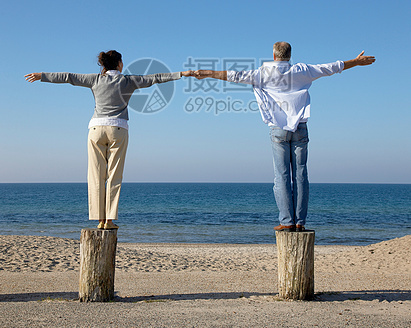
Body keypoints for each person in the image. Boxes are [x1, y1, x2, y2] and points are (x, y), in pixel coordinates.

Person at [192, 43, 375, 232]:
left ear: (273, 55)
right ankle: (300, 222)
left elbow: (232, 75)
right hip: (300, 128)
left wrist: (204, 73)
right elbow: (332, 67)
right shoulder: (302, 70)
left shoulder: (262, 73)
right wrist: (356, 61)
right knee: (301, 175)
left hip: (278, 130)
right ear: (289, 55)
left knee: (282, 175)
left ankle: (287, 221)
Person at [25, 50, 191, 230]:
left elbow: (68, 77)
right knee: (114, 175)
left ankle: (99, 219)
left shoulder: (95, 80)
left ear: (103, 65)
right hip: (118, 129)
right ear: (119, 63)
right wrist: (181, 74)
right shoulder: (128, 80)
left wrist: (42, 76)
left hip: (96, 129)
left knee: (95, 175)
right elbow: (155, 78)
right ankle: (109, 220)